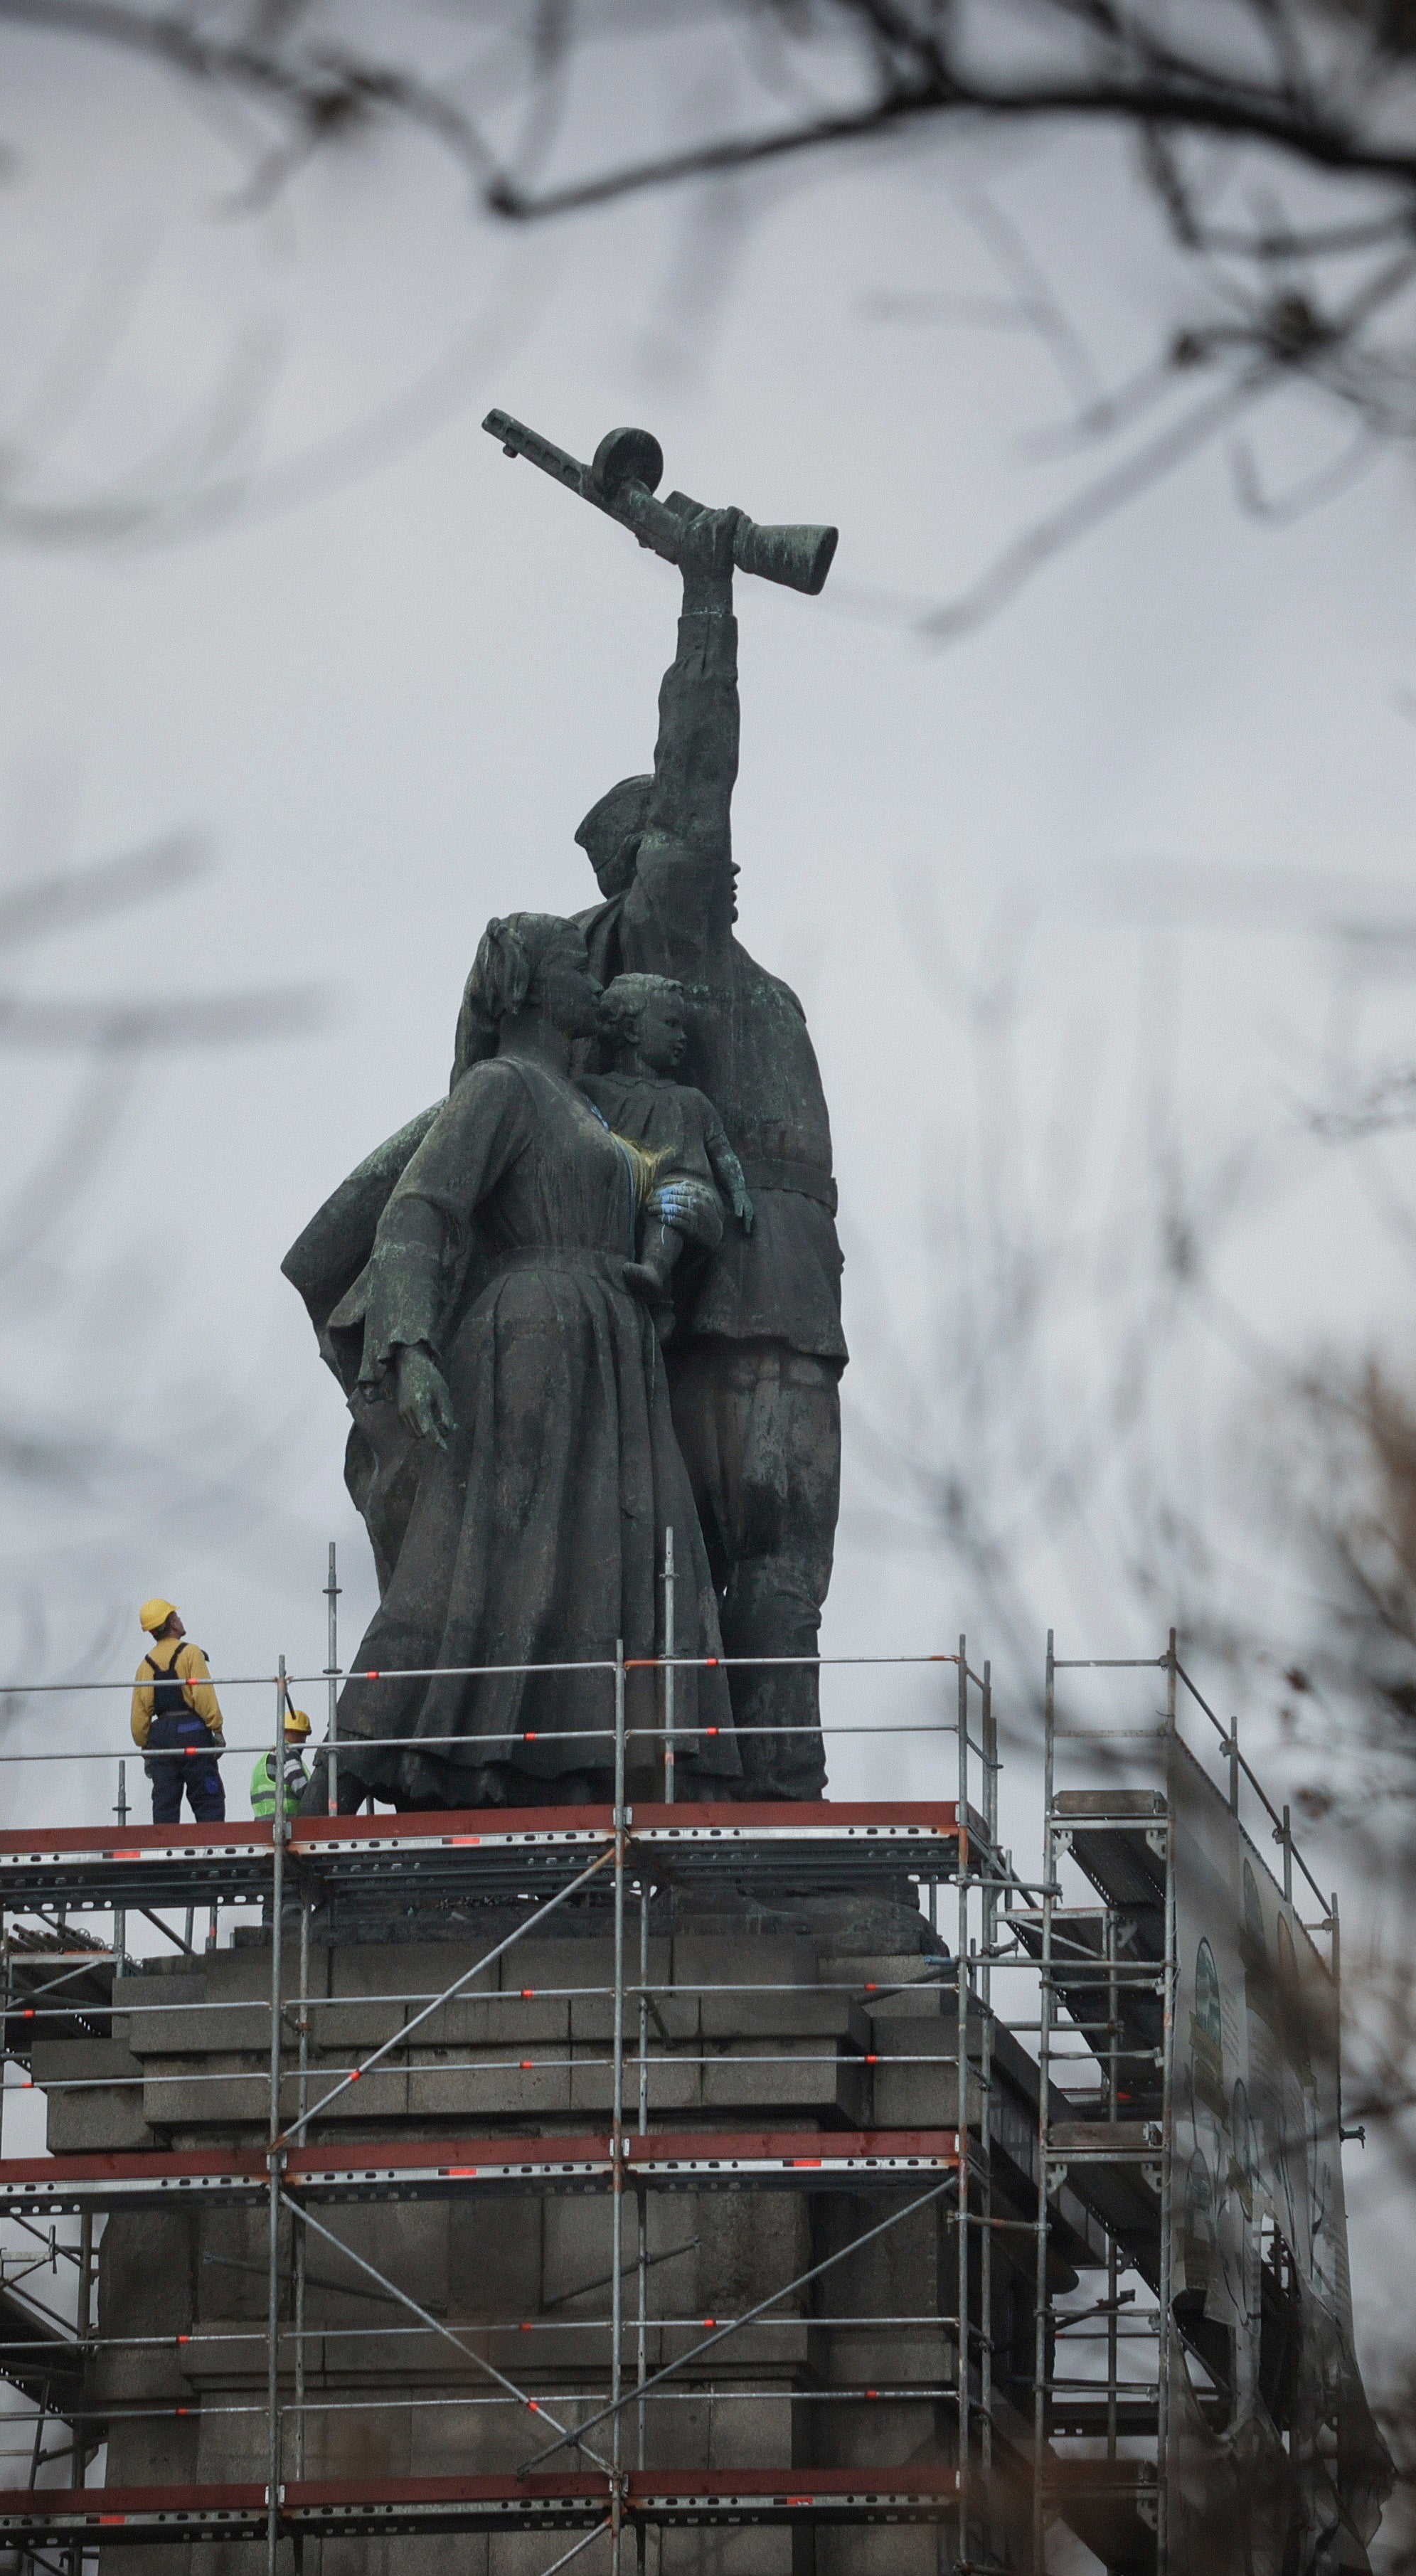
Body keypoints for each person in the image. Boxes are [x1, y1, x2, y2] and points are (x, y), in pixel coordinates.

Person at [331, 910, 730, 1807]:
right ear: (533, 989)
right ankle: (353, 1760)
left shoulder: (582, 1104)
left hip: (608, 1349)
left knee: (626, 1554)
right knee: (475, 1556)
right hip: (532, 1338)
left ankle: (579, 1766)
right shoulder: (502, 1088)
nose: (593, 977)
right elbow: (420, 1211)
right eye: (572, 964)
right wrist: (410, 1345)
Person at [568, 504, 838, 1774]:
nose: (711, 863)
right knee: (711, 1580)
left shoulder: (755, 987)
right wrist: (707, 601)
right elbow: (697, 777)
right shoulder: (665, 945)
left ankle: (785, 1800)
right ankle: (726, 1793)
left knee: (788, 1580)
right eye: (671, 851)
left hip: (794, 1318)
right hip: (717, 1317)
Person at [587, 971, 755, 1319]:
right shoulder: (594, 1091)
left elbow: (721, 1151)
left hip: (679, 1191)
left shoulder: (691, 1101)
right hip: (619, 1192)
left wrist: (738, 1192)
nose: (682, 1037)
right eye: (671, 1024)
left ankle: (655, 1272)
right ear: (632, 1030)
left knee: (677, 1201)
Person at [128, 1598, 225, 1822]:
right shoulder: (191, 1653)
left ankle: (165, 1852)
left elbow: (139, 1715)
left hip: (161, 1737)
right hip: (192, 1730)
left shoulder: (145, 1665)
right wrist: (217, 1729)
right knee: (208, 1798)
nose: (180, 1620)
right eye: (177, 1616)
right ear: (171, 1623)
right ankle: (212, 1849)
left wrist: (146, 1746)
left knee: (165, 1804)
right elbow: (203, 1695)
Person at [249, 1705, 319, 1824]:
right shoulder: (287, 1753)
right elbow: (303, 1790)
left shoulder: (269, 1755)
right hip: (285, 1822)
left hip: (262, 1823)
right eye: (303, 1735)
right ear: (296, 1733)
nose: (304, 1741)